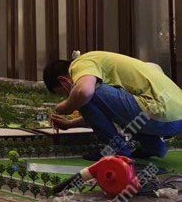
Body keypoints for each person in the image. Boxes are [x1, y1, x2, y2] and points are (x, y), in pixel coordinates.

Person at [44, 51, 182, 159]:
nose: (66, 96)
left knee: (83, 95)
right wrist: (70, 124)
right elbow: (102, 113)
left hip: (158, 112)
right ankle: (153, 147)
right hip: (175, 120)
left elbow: (85, 92)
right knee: (87, 96)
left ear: (63, 81)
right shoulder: (99, 64)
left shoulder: (80, 63)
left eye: (62, 93)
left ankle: (116, 152)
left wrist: (64, 107)